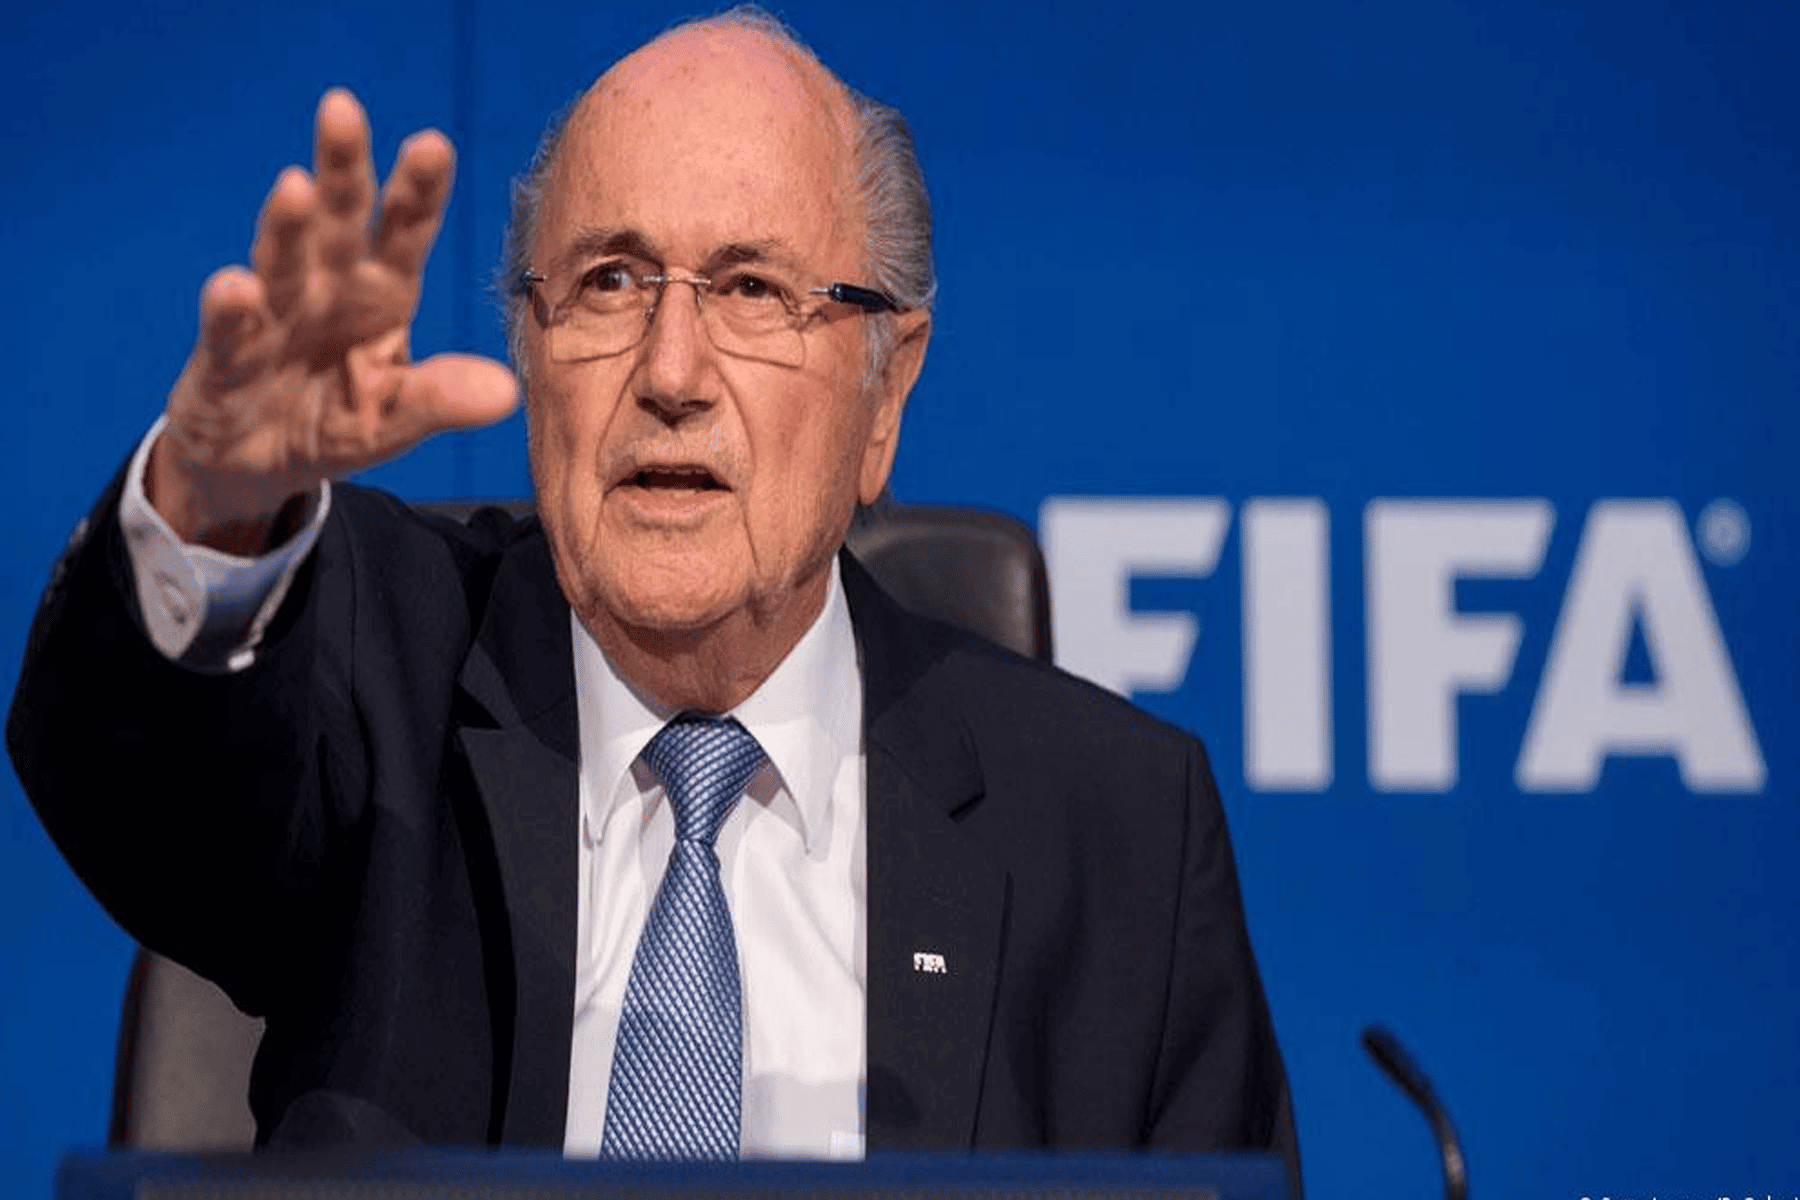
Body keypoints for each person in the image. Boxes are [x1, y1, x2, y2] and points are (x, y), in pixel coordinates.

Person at [8, 4, 1298, 1181]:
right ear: (533, 351)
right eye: (610, 282)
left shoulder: (1120, 837)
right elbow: (143, 782)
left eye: (753, 290)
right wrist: (216, 508)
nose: (671, 370)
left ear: (885, 390)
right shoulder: (376, 671)